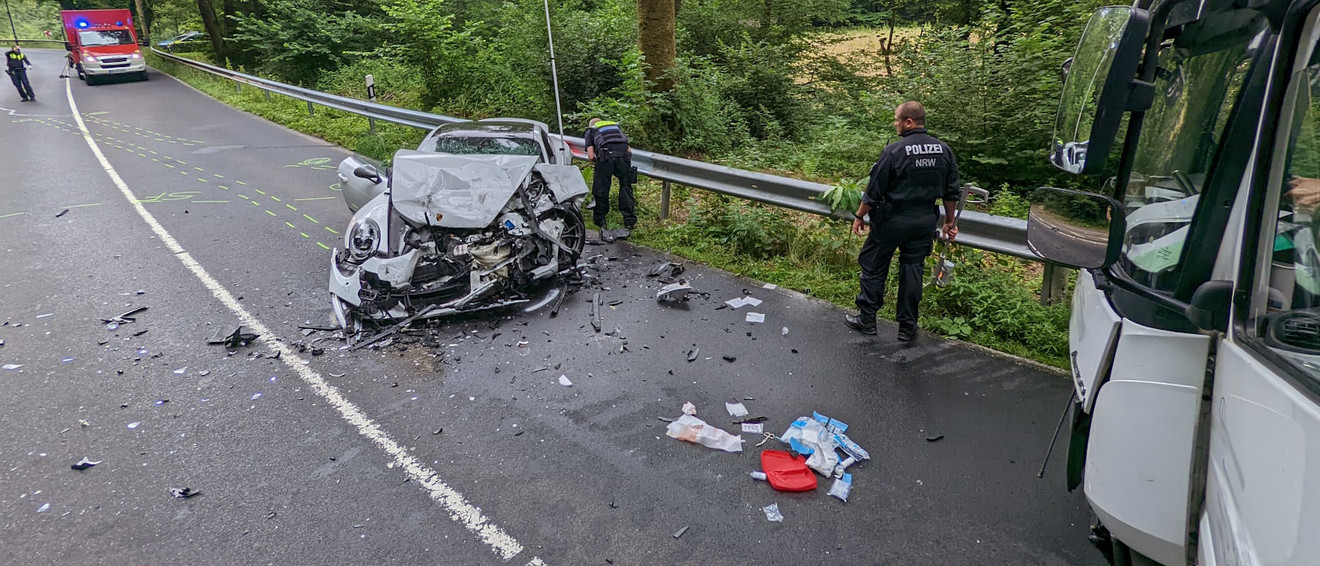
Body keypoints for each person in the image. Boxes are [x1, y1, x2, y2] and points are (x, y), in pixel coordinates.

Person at [845, 101, 961, 341]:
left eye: (897, 120)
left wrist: (859, 215)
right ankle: (908, 328)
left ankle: (867, 320)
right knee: (912, 270)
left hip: (891, 220)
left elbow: (875, 190)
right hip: (923, 221)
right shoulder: (944, 150)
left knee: (875, 266)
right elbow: (951, 192)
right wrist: (950, 221)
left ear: (909, 122)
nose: (896, 124)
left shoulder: (895, 151)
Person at [584, 118, 636, 232]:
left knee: (601, 188)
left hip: (606, 157)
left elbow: (591, 156)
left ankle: (600, 220)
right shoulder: (616, 127)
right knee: (626, 187)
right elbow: (629, 150)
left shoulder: (591, 130)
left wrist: (600, 162)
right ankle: (629, 221)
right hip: (623, 156)